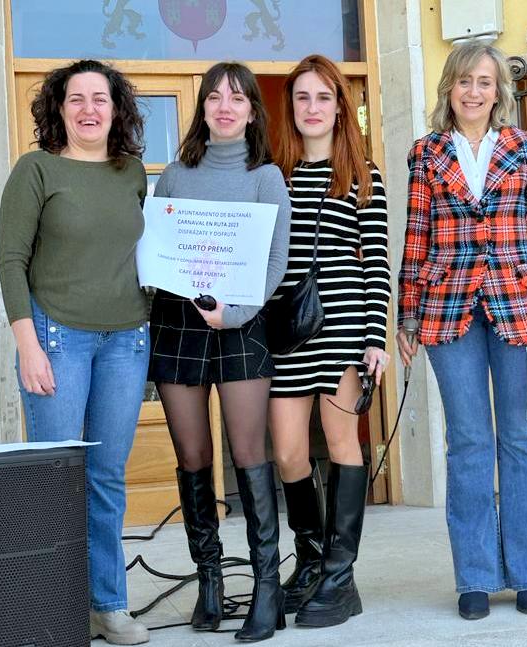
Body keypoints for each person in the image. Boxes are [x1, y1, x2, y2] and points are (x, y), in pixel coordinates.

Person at [397, 43, 527, 620]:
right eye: (464, 81)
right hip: (448, 310)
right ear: (449, 87)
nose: (474, 92)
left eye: (485, 82)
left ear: (499, 91)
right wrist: (407, 314)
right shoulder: (425, 154)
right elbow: (416, 236)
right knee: (469, 442)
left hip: (522, 308)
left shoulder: (525, 148)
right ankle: (473, 575)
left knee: (522, 441)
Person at [0, 59, 150, 645]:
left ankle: (108, 606)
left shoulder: (131, 172)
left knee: (107, 477)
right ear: (59, 109)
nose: (90, 109)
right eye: (77, 99)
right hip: (55, 337)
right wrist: (26, 343)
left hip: (127, 341)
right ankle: (55, 609)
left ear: (117, 109)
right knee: (56, 479)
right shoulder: (35, 170)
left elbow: (143, 256)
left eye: (101, 99)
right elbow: (11, 259)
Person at [147, 62, 291, 641]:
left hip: (241, 319)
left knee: (249, 454)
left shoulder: (266, 177)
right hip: (180, 321)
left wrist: (232, 313)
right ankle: (209, 582)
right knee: (191, 454)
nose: (225, 107)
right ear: (203, 108)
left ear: (252, 111)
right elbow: (158, 251)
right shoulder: (176, 175)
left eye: (236, 98)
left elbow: (276, 264)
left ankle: (265, 591)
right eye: (215, 98)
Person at [268, 54, 390, 628]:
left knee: (342, 443)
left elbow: (376, 266)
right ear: (290, 108)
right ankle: (312, 560)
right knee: (289, 451)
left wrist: (376, 340)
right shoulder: (272, 175)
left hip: (343, 327)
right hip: (285, 329)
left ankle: (341, 577)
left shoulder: (365, 174)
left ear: (340, 106)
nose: (312, 107)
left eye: (323, 97)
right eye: (302, 98)